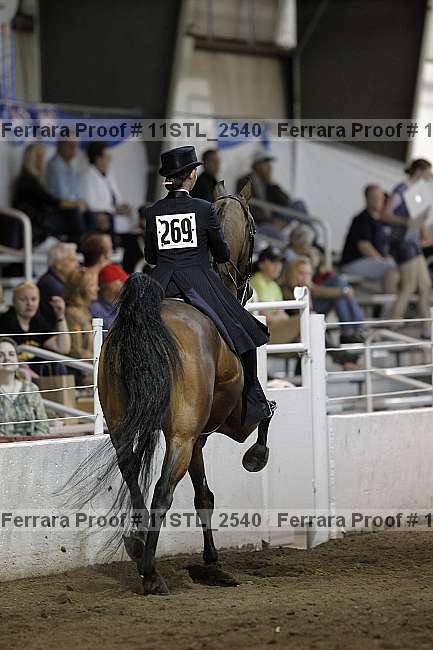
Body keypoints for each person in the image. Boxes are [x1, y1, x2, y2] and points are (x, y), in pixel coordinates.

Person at [145, 145, 275, 427]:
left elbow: (151, 257)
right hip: (198, 281)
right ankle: (254, 401)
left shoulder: (154, 211)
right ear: (191, 175)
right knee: (243, 329)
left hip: (161, 282)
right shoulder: (203, 209)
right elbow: (224, 254)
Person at [287, 224, 365, 343]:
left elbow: (318, 276)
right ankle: (351, 331)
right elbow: (312, 289)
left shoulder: (308, 255)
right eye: (305, 243)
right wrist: (342, 292)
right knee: (340, 291)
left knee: (339, 283)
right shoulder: (291, 258)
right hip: (300, 310)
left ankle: (352, 331)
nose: (307, 246)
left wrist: (317, 261)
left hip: (312, 299)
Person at [383, 159, 432, 330]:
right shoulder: (401, 189)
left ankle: (427, 325)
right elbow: (385, 214)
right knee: (409, 285)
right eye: (427, 171)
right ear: (419, 171)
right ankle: (394, 321)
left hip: (414, 242)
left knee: (425, 285)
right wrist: (404, 221)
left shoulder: (418, 191)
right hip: (403, 242)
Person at [11, 143, 85, 246]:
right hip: (35, 223)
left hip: (40, 219)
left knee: (76, 214)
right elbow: (51, 201)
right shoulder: (28, 181)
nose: (43, 161)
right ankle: (78, 245)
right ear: (34, 160)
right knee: (73, 213)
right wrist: (76, 204)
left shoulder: (33, 179)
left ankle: (79, 244)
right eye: (41, 158)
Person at [340, 185, 398, 292]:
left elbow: (383, 247)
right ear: (367, 198)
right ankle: (388, 301)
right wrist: (382, 260)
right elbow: (364, 246)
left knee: (399, 266)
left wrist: (386, 257)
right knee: (391, 268)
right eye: (374, 197)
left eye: (380, 197)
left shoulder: (380, 221)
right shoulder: (362, 219)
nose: (378, 200)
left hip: (371, 261)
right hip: (353, 262)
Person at [0, 282, 71, 359]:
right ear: (13, 301)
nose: (29, 304)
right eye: (23, 300)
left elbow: (62, 348)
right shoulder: (5, 321)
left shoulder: (37, 320)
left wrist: (60, 316)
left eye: (33, 299)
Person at [236, 150, 290, 240]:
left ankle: (311, 238)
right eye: (266, 163)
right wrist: (271, 221)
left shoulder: (267, 182)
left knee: (299, 205)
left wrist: (271, 183)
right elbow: (247, 208)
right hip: (260, 223)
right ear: (257, 166)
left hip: (274, 217)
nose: (270, 167)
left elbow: (286, 202)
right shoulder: (244, 181)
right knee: (279, 237)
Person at [0, 337, 49, 437]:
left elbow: (43, 427)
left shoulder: (31, 389)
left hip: (31, 445)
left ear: (18, 359)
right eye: (0, 355)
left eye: (11, 354)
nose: (7, 358)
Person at [81, 141, 132, 235]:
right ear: (98, 159)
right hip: (100, 215)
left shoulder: (109, 175)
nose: (109, 160)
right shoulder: (87, 176)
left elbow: (117, 198)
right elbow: (91, 204)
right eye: (107, 157)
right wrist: (114, 210)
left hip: (114, 213)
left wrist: (122, 206)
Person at [250, 247, 300, 344]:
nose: (278, 266)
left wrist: (277, 317)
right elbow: (265, 318)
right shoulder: (257, 281)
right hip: (263, 333)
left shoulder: (274, 286)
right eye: (273, 261)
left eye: (280, 262)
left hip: (272, 329)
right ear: (261, 264)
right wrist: (279, 317)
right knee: (304, 320)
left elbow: (281, 315)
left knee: (305, 322)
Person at [46, 139, 87, 242]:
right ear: (60, 145)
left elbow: (77, 193)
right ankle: (77, 247)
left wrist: (81, 203)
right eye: (70, 145)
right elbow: (61, 195)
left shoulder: (70, 166)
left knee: (91, 215)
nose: (74, 148)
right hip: (58, 207)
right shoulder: (55, 165)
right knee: (75, 213)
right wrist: (77, 203)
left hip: (70, 206)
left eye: (76, 145)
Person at [37, 242, 79, 325]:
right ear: (58, 264)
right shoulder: (51, 285)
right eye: (72, 260)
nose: (77, 264)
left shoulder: (54, 281)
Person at [65, 268, 99, 359]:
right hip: (81, 365)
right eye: (92, 285)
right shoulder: (72, 314)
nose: (97, 288)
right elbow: (76, 351)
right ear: (81, 289)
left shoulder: (86, 310)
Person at [90, 263, 128, 329]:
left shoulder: (122, 305)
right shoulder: (96, 309)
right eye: (122, 281)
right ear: (110, 285)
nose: (126, 285)